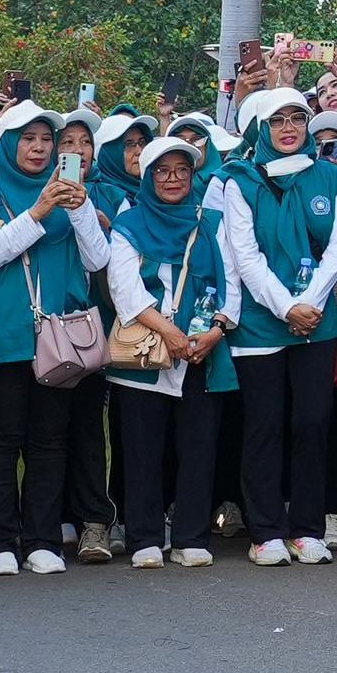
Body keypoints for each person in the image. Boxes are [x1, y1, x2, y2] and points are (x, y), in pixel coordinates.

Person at [0, 105, 110, 575]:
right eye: (28, 138)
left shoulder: (72, 199)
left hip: (60, 338)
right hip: (3, 335)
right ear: (7, 144)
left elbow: (98, 259)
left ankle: (42, 538)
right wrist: (39, 212)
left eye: (48, 139)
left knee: (49, 439)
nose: (40, 147)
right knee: (1, 439)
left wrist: (80, 209)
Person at [213, 86, 337, 567]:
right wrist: (284, 307)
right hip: (259, 323)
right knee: (264, 426)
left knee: (312, 422)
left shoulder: (332, 178)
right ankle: (266, 530)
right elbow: (244, 256)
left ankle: (307, 528)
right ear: (262, 129)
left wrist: (309, 304)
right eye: (278, 121)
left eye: (298, 117)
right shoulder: (240, 181)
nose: (290, 128)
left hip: (316, 321)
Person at [99, 128, 232, 567]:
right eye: (162, 172)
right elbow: (126, 291)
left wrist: (215, 329)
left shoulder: (210, 222)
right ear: (148, 178)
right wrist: (170, 333)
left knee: (199, 444)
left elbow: (232, 283)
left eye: (181, 171)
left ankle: (192, 534)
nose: (173, 179)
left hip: (201, 349)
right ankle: (144, 538)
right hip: (145, 351)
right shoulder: (129, 224)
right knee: (141, 448)